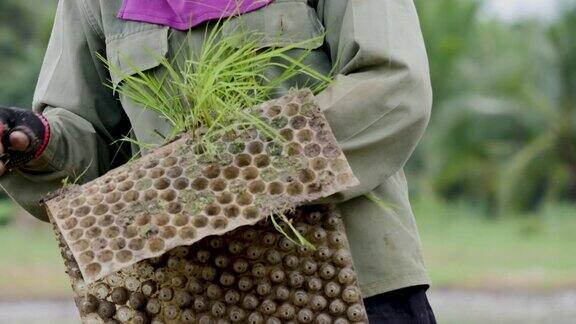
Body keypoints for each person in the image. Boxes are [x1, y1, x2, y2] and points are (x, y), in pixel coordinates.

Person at [0, 0, 435, 322]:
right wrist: (38, 145)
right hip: (187, 296)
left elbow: (392, 86)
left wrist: (223, 176)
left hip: (358, 288)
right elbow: (87, 138)